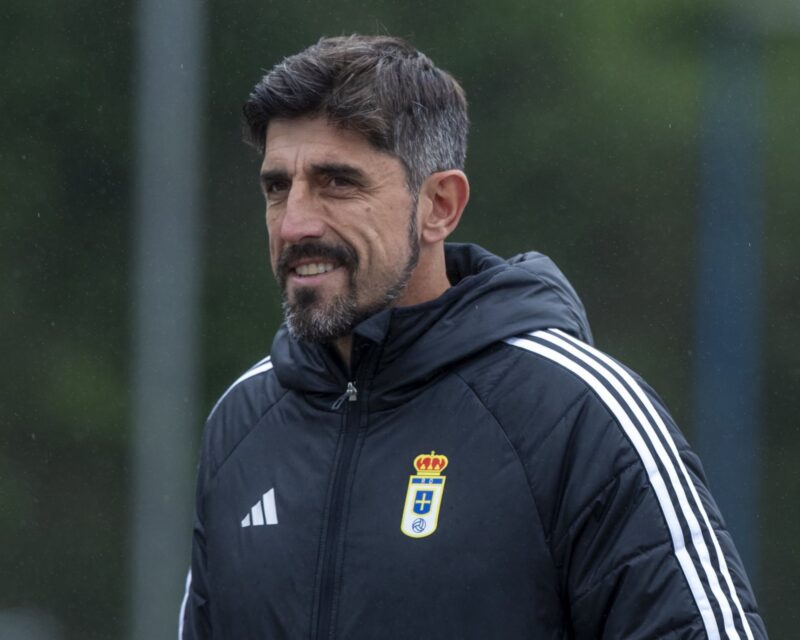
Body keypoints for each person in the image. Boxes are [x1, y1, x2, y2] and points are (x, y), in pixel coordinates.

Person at [180, 35, 767, 639]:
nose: (295, 224)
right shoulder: (241, 424)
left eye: (337, 183)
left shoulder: (578, 414)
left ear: (439, 205)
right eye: (277, 188)